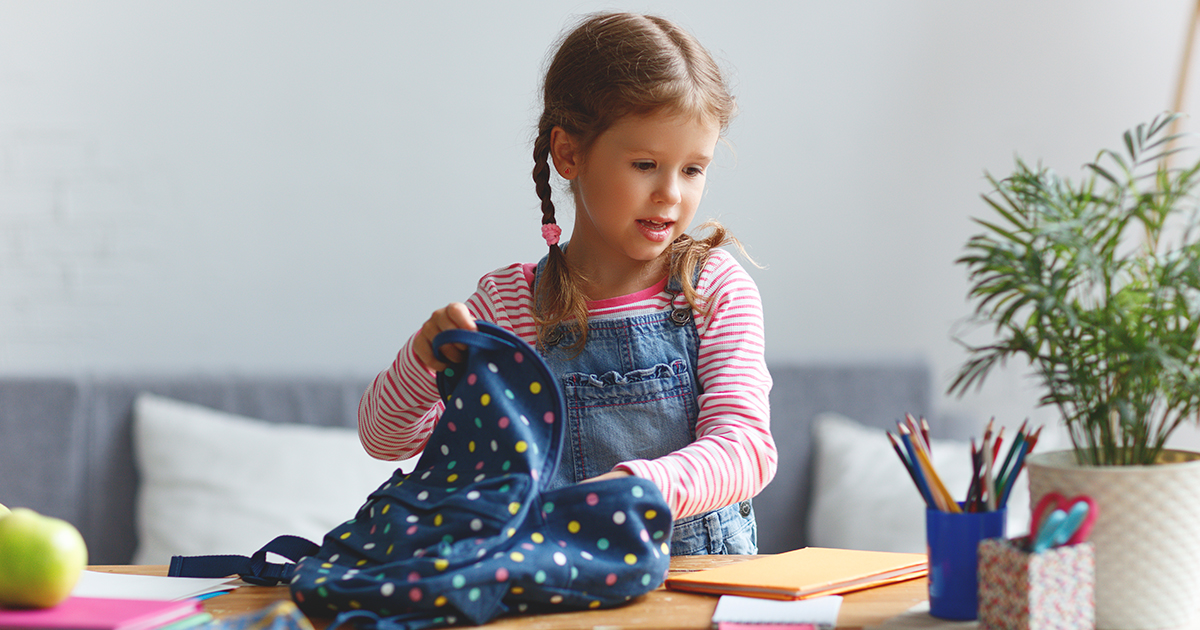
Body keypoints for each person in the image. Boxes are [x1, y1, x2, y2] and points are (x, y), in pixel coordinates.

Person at [358, 11, 775, 555]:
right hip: (564, 596)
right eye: (646, 163)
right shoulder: (510, 307)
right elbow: (385, 439)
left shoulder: (714, 289)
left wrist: (640, 489)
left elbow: (745, 450)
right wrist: (422, 357)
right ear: (569, 153)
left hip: (702, 590)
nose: (671, 194)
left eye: (693, 169)